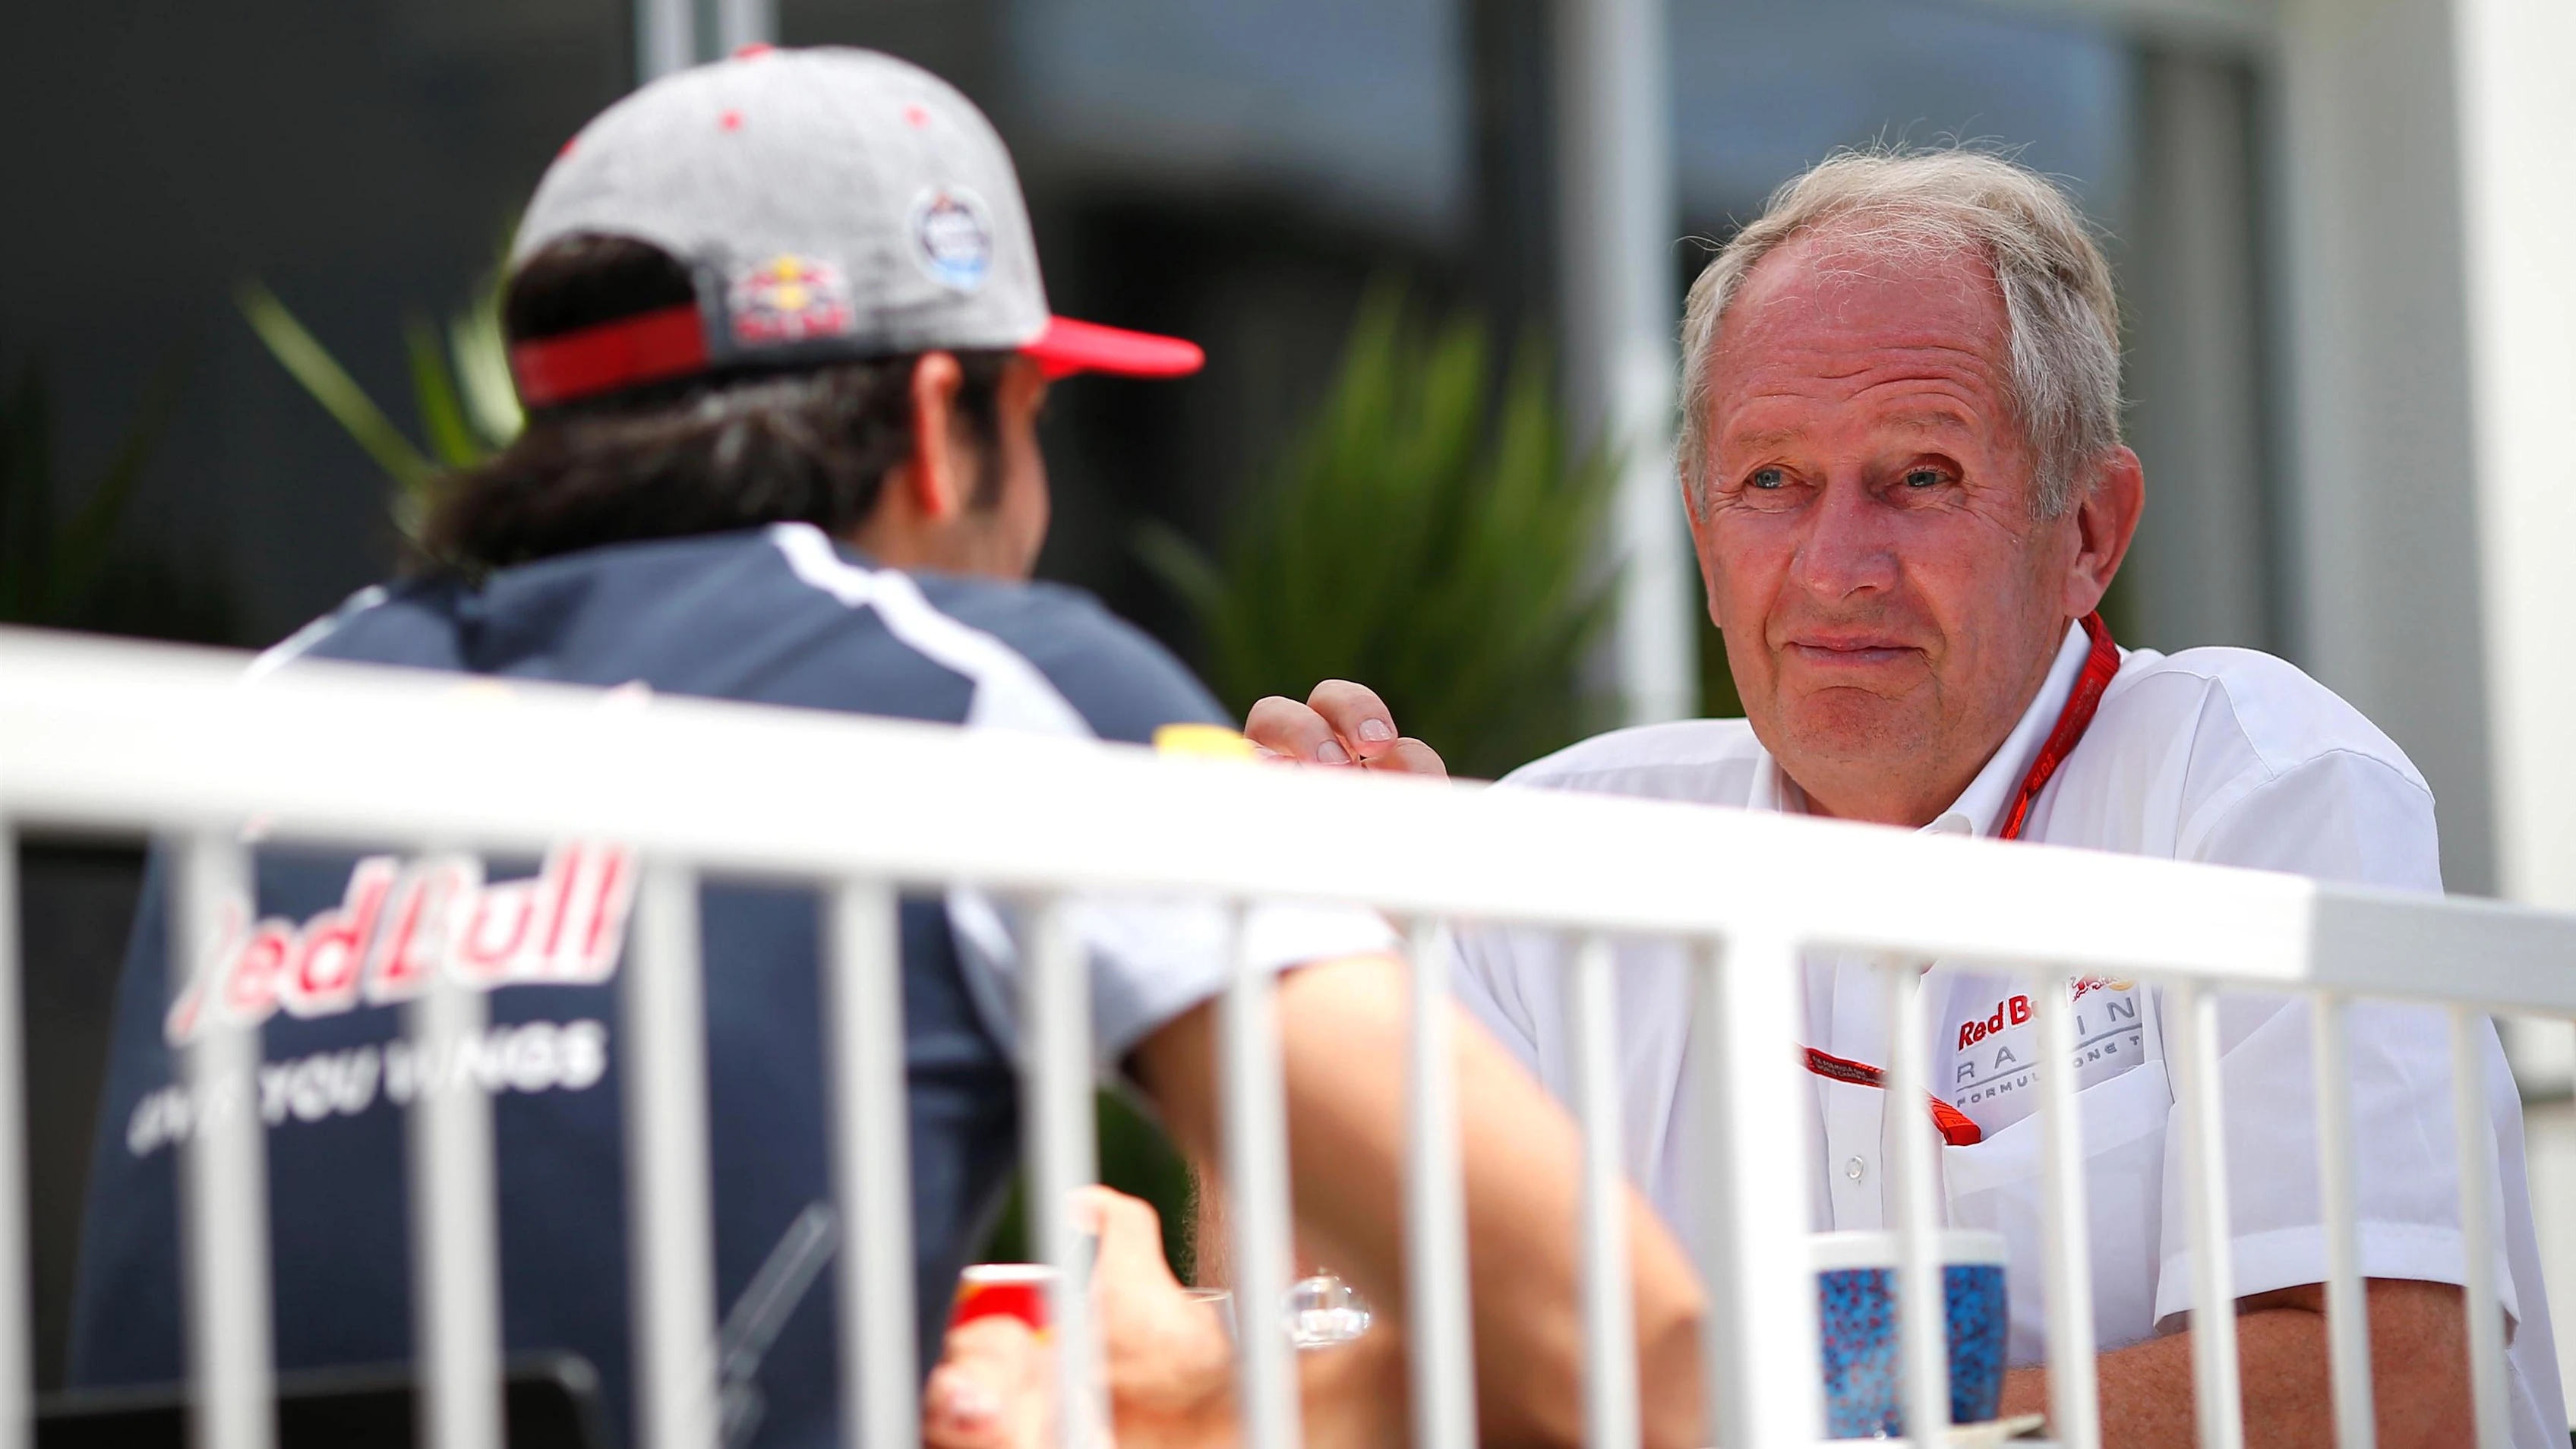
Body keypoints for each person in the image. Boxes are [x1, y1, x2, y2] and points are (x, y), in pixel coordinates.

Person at [67, 47, 1706, 1449]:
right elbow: (1622, 1340)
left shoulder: (277, 713)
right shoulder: (987, 685)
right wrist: (1188, 1389)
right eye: (1034, 421)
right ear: (940, 422)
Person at [1248, 148, 2566, 1447]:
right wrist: (1306, 972)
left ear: (2091, 533)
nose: (1836, 567)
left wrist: (1741, 1415)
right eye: (1771, 482)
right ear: (1704, 542)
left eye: (1921, 477)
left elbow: (2389, 1394)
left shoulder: (2257, 783)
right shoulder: (1564, 843)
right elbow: (1326, 1343)